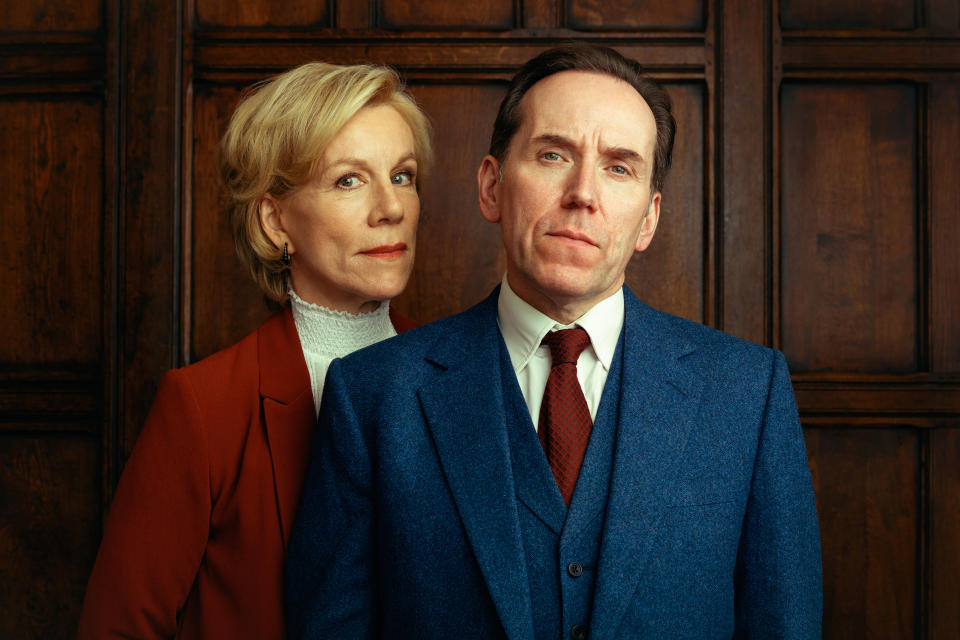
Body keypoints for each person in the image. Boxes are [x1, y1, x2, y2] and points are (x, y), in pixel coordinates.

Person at [285, 44, 821, 639]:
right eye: (552, 154)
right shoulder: (374, 394)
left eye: (619, 167)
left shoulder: (748, 392)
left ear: (649, 218)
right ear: (491, 186)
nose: (583, 193)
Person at [77, 61, 433, 639]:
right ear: (274, 221)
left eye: (403, 175)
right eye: (349, 179)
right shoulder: (203, 405)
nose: (391, 208)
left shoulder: (464, 375)